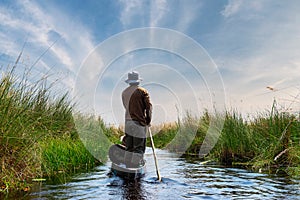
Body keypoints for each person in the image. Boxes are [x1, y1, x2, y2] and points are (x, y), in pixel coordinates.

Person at [122, 71, 152, 168]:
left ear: (129, 81)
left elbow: (125, 106)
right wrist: (148, 120)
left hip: (127, 123)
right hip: (139, 123)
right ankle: (135, 168)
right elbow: (149, 108)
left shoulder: (124, 92)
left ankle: (127, 167)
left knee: (129, 147)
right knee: (138, 148)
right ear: (138, 81)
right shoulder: (143, 91)